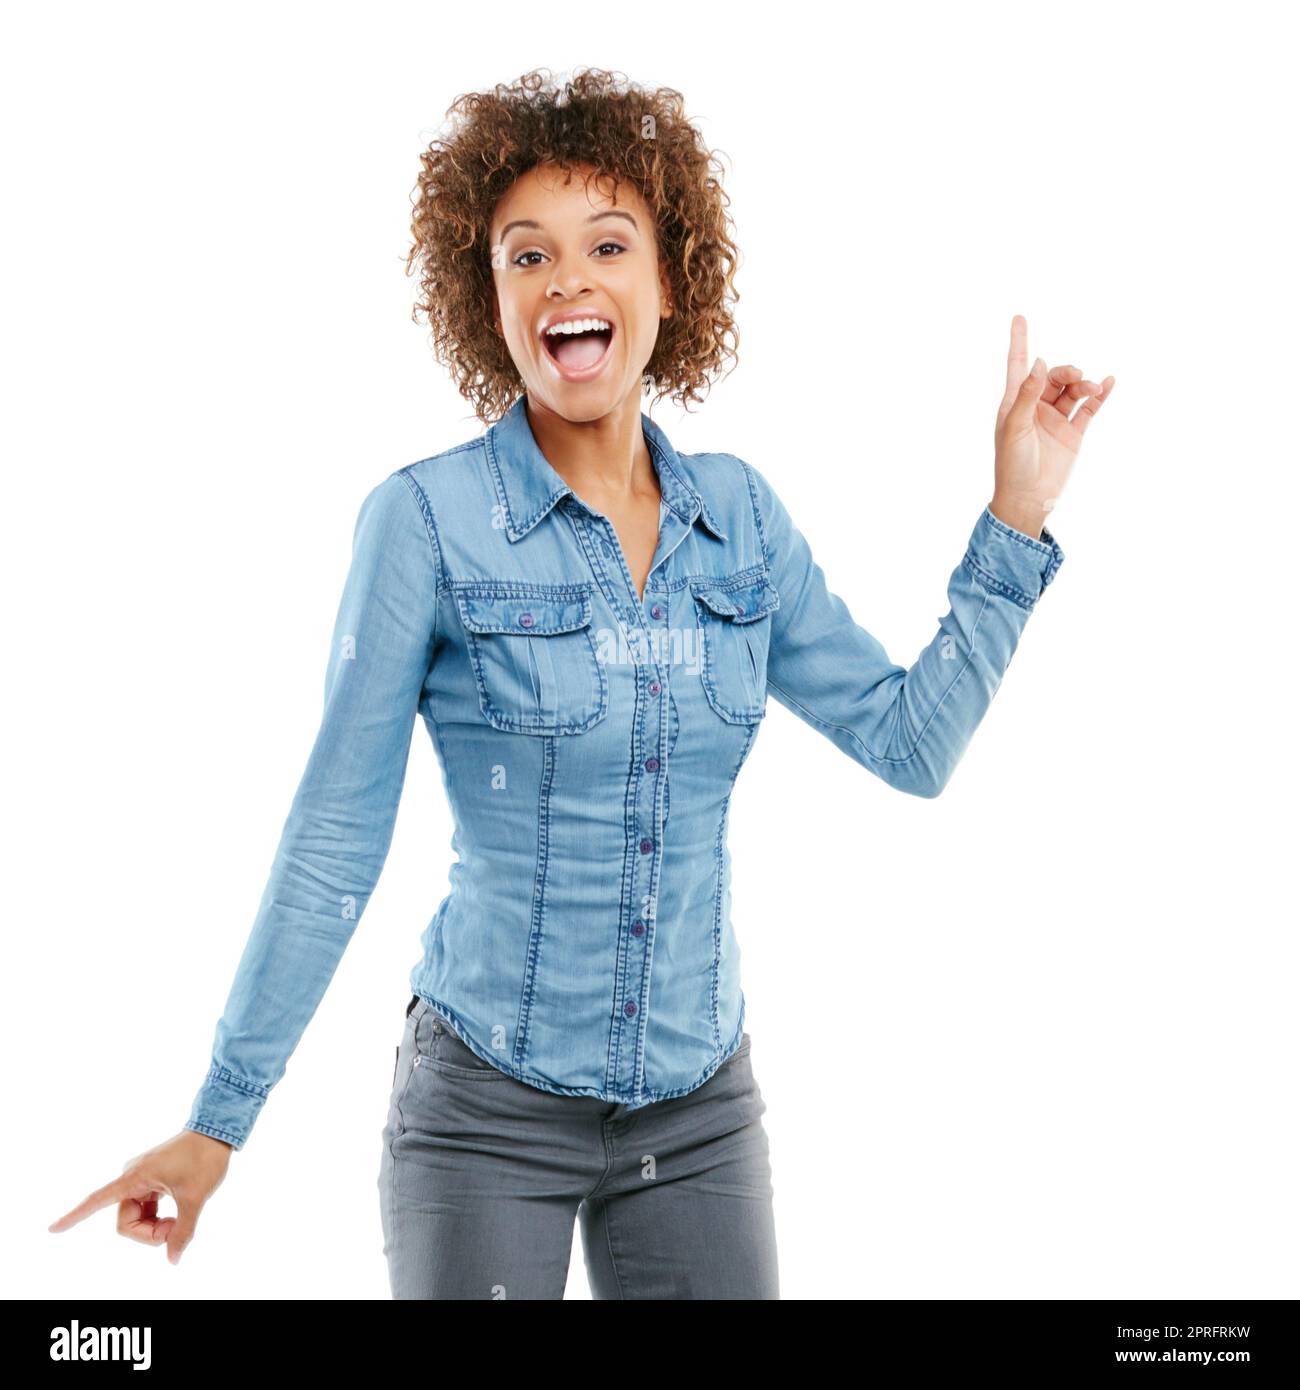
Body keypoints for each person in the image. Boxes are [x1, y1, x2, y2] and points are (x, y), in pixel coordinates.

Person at [48, 67, 1114, 1299]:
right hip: (484, 1114)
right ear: (486, 299)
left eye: (609, 245)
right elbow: (336, 833)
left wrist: (1015, 520)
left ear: (668, 284)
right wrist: (216, 1123)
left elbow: (910, 746)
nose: (568, 280)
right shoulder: (425, 522)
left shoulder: (741, 522)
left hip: (701, 1115)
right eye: (526, 255)